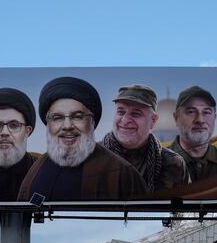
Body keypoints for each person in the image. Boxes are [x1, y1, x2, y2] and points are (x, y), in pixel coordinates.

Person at [18, 77, 147, 202]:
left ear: (91, 122)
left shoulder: (122, 174)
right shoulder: (38, 167)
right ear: (48, 124)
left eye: (77, 117)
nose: (67, 126)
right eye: (57, 118)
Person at [100, 84, 189, 192]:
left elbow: (185, 206)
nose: (125, 119)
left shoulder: (173, 163)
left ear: (153, 120)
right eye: (121, 112)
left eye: (136, 114)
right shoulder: (92, 157)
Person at [169, 86, 217, 183]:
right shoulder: (157, 163)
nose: (200, 120)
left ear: (214, 117)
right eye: (191, 112)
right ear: (176, 118)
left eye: (206, 112)